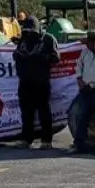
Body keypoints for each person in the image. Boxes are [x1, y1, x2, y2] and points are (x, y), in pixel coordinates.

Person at [13, 16, 60, 149]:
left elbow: (56, 57)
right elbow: (16, 53)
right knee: (26, 112)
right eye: (26, 30)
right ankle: (27, 139)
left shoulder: (48, 39)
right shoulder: (24, 38)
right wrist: (19, 56)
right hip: (25, 81)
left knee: (43, 112)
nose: (29, 33)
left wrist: (41, 57)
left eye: (31, 30)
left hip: (41, 81)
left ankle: (46, 141)